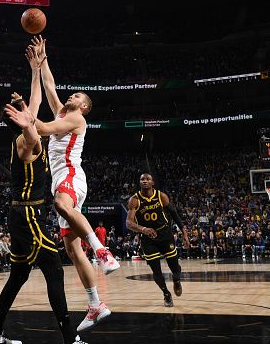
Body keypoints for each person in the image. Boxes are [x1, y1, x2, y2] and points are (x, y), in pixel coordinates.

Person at [0, 45, 85, 344]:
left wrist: (35, 69)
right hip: (29, 215)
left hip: (23, 216)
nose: (29, 110)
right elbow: (33, 128)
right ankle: (70, 337)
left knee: (18, 276)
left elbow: (37, 101)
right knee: (54, 270)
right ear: (18, 122)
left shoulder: (28, 134)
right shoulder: (26, 143)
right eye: (23, 114)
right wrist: (26, 119)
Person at [31, 36, 118, 332]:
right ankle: (96, 304)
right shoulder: (65, 111)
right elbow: (51, 87)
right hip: (61, 178)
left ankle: (102, 251)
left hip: (70, 176)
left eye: (78, 96)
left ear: (84, 106)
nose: (72, 96)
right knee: (71, 250)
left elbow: (43, 128)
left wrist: (26, 117)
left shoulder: (76, 118)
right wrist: (42, 60)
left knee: (61, 204)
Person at [126, 173, 189, 307]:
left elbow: (174, 213)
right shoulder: (134, 200)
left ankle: (176, 280)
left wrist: (184, 232)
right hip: (148, 238)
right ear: (139, 182)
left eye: (148, 179)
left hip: (165, 234)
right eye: (142, 179)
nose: (145, 181)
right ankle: (166, 293)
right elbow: (128, 223)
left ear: (152, 182)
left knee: (175, 267)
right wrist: (143, 229)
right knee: (156, 270)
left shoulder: (161, 196)